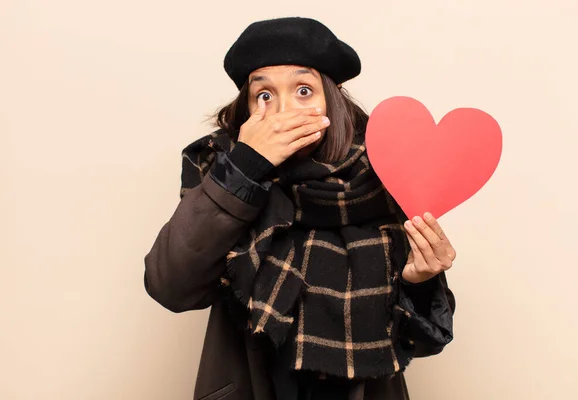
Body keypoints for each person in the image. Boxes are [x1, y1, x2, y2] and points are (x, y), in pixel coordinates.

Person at [144, 16, 456, 400]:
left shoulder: (385, 172)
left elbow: (423, 342)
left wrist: (420, 283)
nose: (283, 110)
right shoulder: (217, 164)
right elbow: (171, 287)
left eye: (304, 90)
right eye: (264, 95)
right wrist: (244, 168)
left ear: (333, 99)